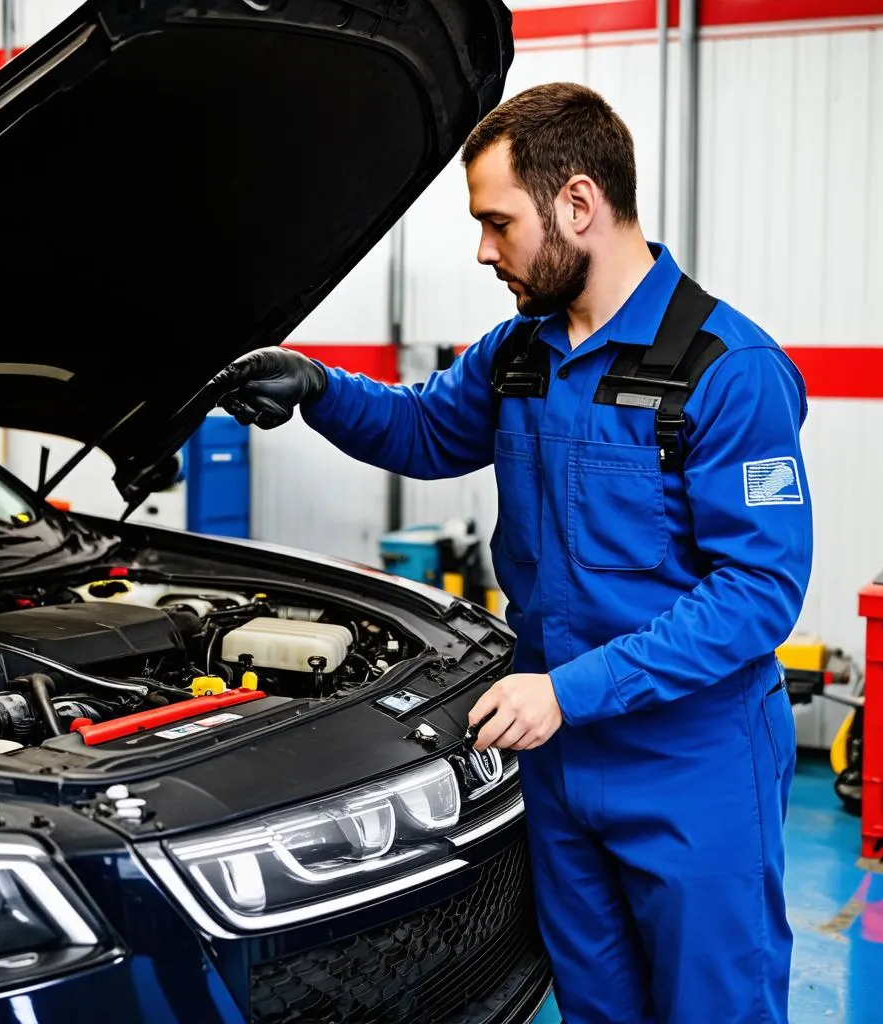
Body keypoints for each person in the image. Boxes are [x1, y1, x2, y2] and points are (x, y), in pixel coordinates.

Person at [212, 82, 813, 1024]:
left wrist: (567, 692)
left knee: (714, 1008)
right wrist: (319, 388)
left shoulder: (729, 372)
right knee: (598, 1005)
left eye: (499, 223)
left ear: (578, 204)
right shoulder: (519, 355)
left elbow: (757, 594)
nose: (485, 250)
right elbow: (420, 431)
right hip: (561, 758)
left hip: (692, 759)